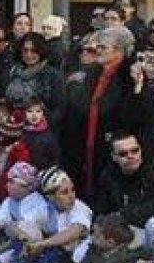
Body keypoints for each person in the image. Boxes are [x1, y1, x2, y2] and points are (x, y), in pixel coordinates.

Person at [57, 25, 134, 198]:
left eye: (103, 47)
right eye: (97, 46)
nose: (97, 50)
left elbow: (115, 109)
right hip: (84, 139)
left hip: (113, 139)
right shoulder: (93, 71)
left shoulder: (128, 76)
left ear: (119, 50)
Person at [91, 132, 154, 261]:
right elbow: (101, 209)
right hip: (125, 232)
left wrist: (126, 214)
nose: (130, 156)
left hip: (151, 232)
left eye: (135, 150)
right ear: (114, 157)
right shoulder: (109, 175)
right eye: (123, 154)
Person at [5, 32, 62, 114]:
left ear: (41, 51)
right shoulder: (13, 70)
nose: (29, 55)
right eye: (25, 50)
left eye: (34, 51)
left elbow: (58, 109)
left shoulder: (53, 75)